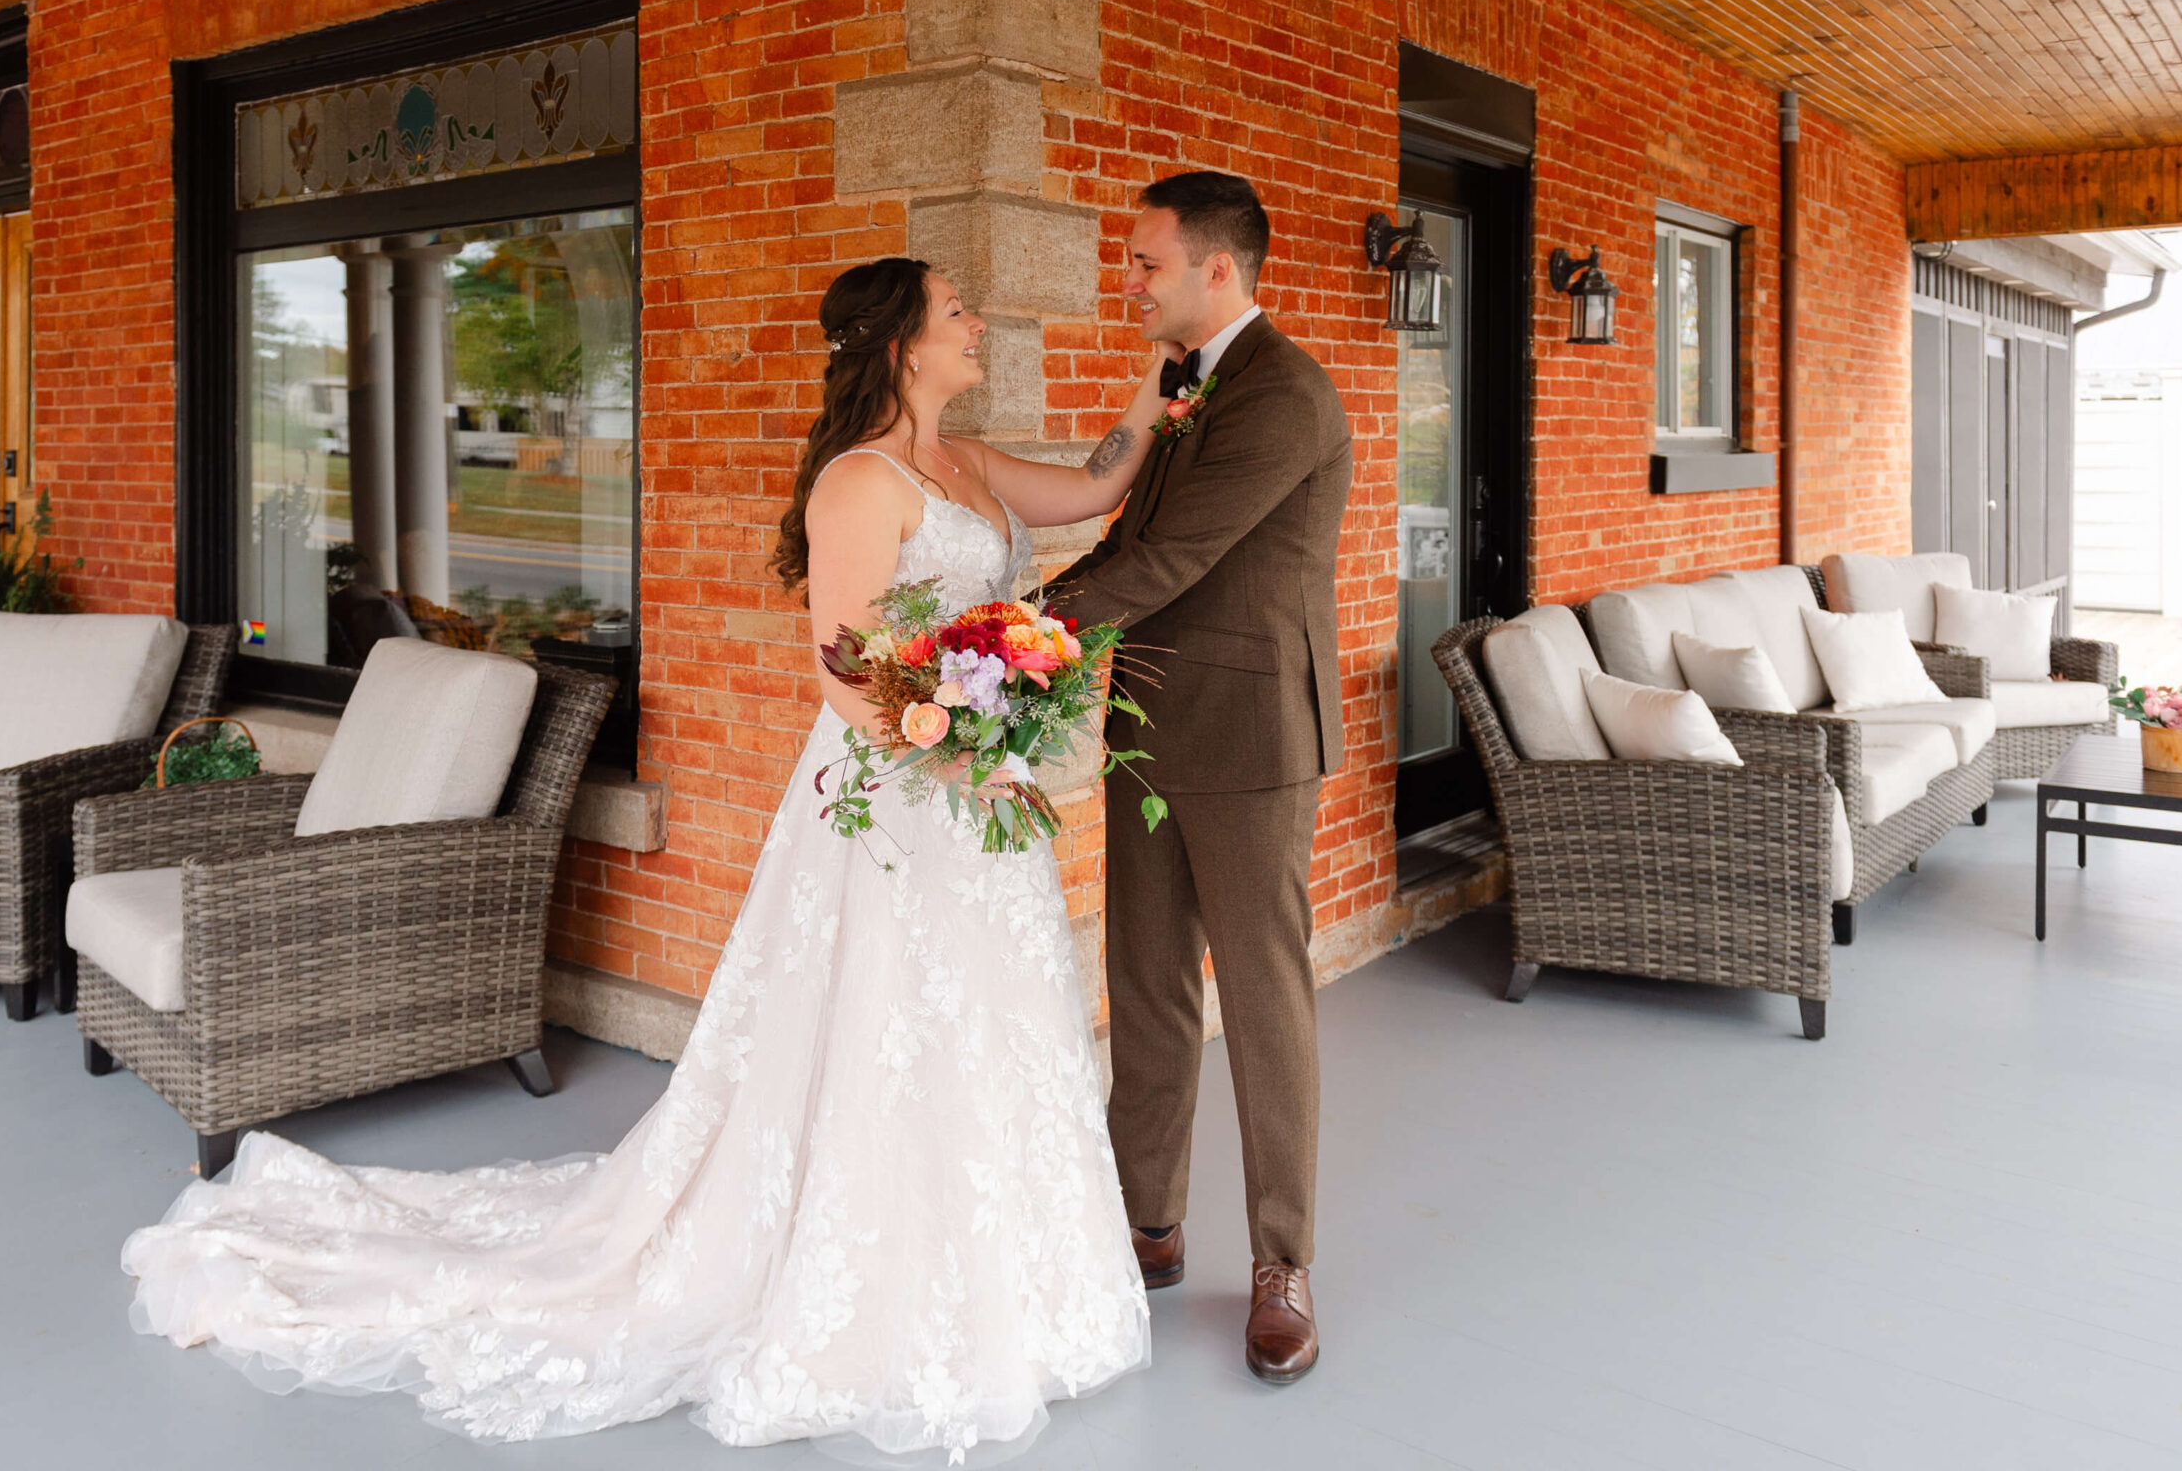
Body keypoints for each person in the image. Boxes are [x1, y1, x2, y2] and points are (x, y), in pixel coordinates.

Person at [120, 257, 1174, 1462]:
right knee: (881, 1024)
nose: (975, 323)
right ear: (901, 344)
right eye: (954, 312)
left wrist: (1159, 387)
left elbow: (1093, 490)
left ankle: (1007, 1274)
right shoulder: (857, 484)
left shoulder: (972, 465)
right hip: (896, 800)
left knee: (984, 1028)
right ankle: (859, 1277)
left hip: (975, 803)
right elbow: (840, 671)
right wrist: (957, 755)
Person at [1043, 171, 1353, 1386]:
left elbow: (1172, 556)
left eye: (1142, 262)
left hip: (1254, 736)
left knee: (1264, 998)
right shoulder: (1183, 385)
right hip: (1148, 721)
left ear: (1215, 269)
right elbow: (1123, 529)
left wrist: (1012, 639)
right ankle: (1147, 1223)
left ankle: (1284, 1260)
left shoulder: (1284, 393)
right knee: (1147, 981)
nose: (1127, 280)